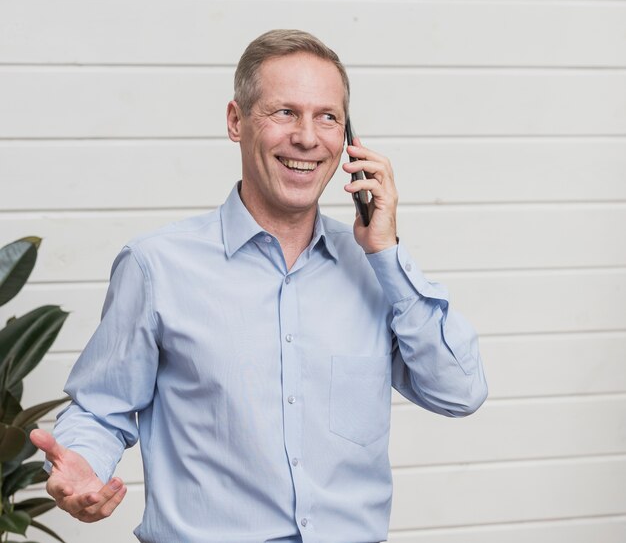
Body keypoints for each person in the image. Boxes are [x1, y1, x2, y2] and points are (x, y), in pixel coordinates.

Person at [31, 29, 487, 543]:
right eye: (285, 113)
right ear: (236, 121)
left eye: (327, 117)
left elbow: (460, 392)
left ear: (349, 139)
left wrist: (388, 253)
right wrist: (83, 468)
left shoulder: (377, 272)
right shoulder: (156, 266)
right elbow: (100, 407)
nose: (308, 138)